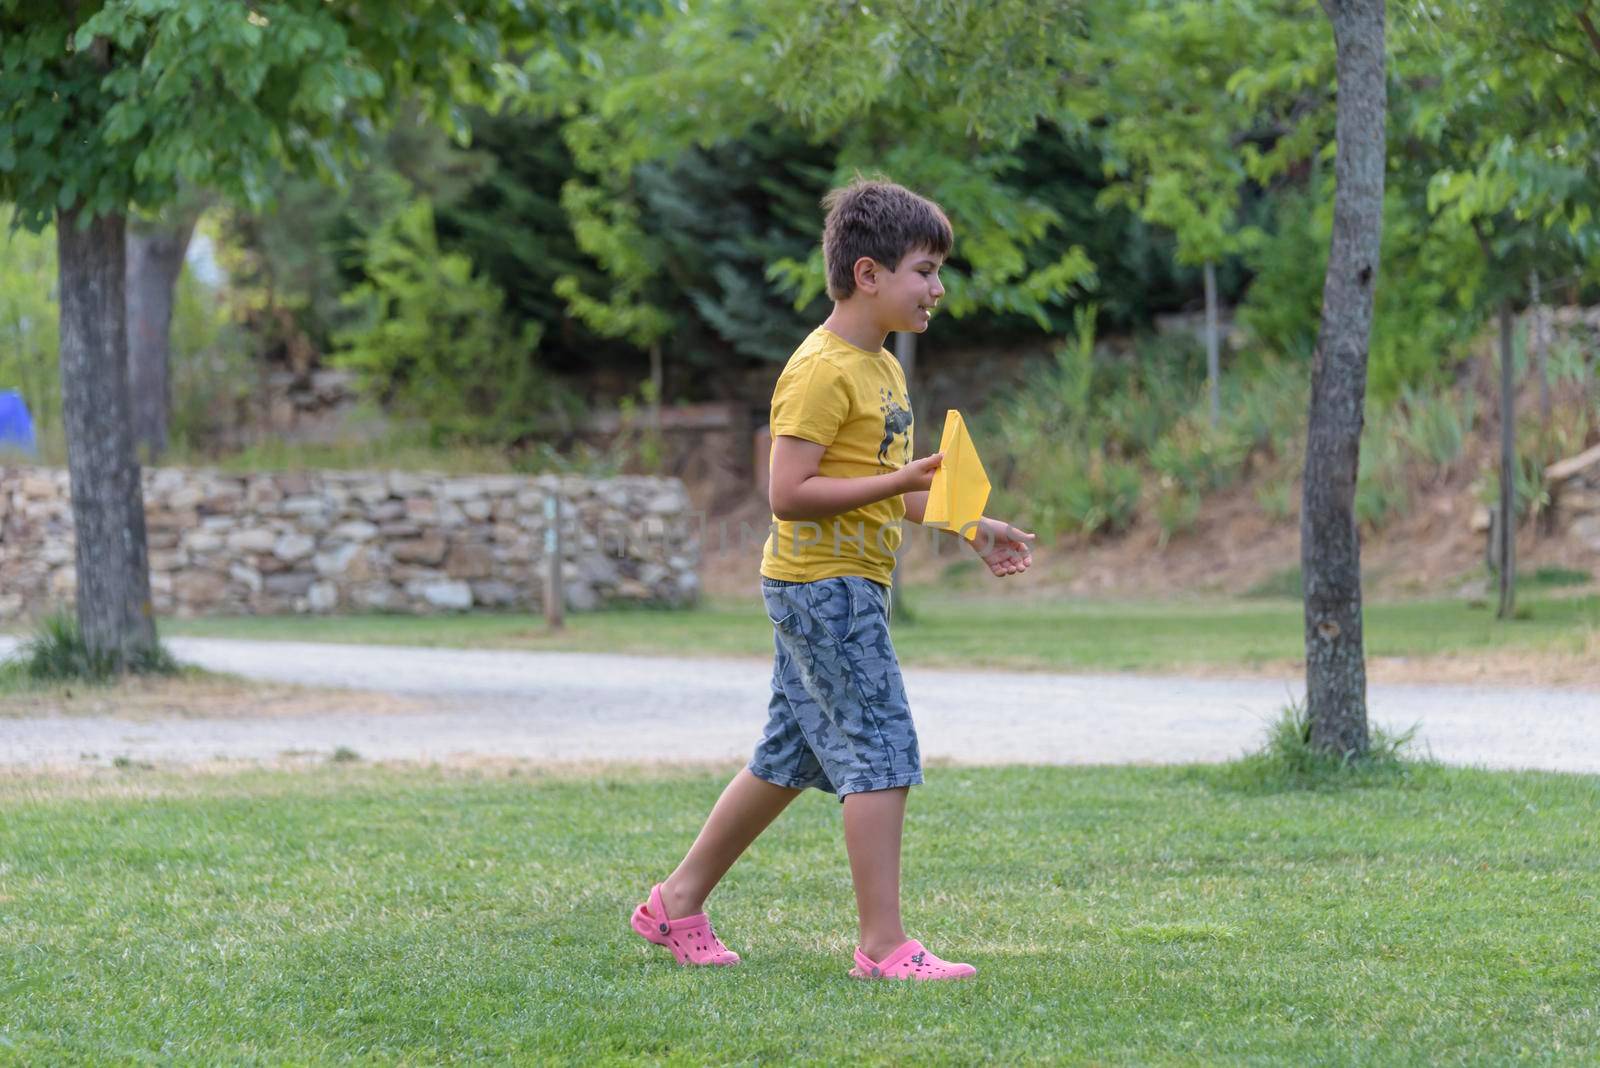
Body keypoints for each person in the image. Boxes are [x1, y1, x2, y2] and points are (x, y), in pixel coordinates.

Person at [629, 178, 1035, 981]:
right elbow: (787, 494)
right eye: (925, 270)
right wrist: (896, 485)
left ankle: (674, 903)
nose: (939, 288)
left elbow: (893, 480)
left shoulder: (883, 369)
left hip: (847, 583)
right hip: (824, 586)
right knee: (883, 748)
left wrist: (971, 524)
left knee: (790, 755)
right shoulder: (819, 371)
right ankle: (883, 946)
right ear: (868, 273)